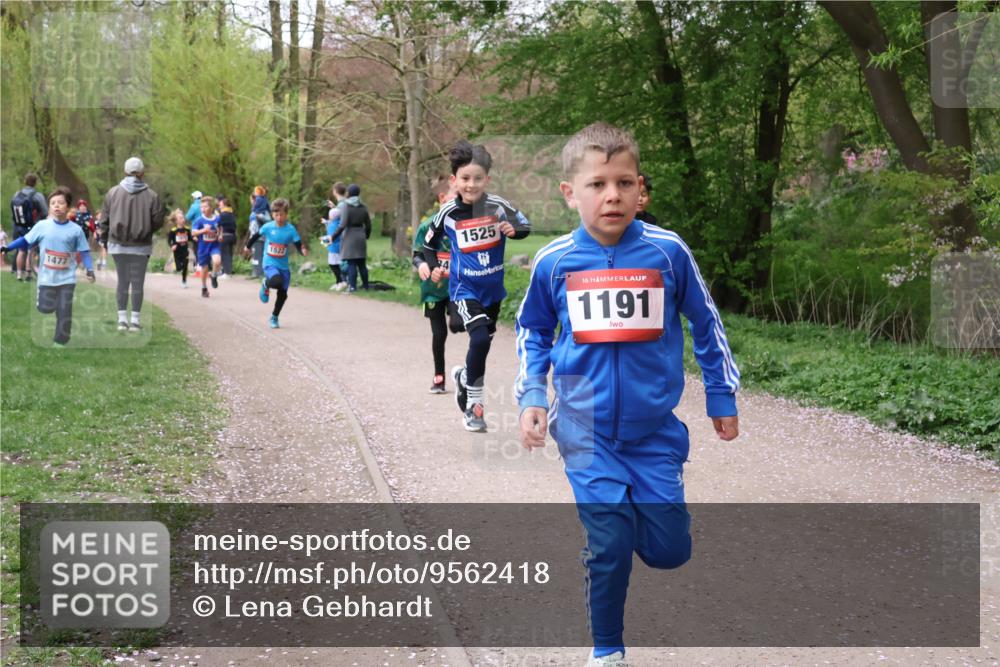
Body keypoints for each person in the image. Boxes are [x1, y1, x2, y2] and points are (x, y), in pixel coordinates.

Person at [515, 123, 740, 667]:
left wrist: (721, 397)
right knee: (610, 546)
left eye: (623, 183)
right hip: (584, 430)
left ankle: (626, 519)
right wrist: (532, 397)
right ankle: (607, 649)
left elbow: (706, 324)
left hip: (652, 432)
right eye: (596, 184)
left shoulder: (667, 253)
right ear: (571, 193)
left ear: (641, 190)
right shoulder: (554, 261)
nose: (611, 195)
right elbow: (532, 331)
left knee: (669, 552)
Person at [421, 140, 531, 432]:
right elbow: (427, 246)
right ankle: (474, 407)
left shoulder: (498, 206)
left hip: (493, 291)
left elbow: (525, 225)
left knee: (483, 345)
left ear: (487, 179)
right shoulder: (447, 214)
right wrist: (432, 267)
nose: (471, 185)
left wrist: (514, 230)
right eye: (465, 179)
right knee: (479, 340)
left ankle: (463, 378)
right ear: (454, 180)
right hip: (464, 289)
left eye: (477, 179)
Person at [2, 186, 95, 347]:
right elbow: (25, 240)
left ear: (68, 206)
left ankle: (60, 342)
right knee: (45, 308)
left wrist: (89, 269)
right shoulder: (42, 226)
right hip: (46, 278)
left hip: (67, 278)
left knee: (65, 310)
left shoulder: (76, 230)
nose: (56, 206)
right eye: (53, 203)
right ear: (49, 206)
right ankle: (46, 304)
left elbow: (85, 251)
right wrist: (8, 247)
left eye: (60, 203)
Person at [99, 157, 164, 332]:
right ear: (142, 173)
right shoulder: (152, 196)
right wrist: (147, 229)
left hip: (118, 244)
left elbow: (103, 220)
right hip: (141, 245)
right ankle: (135, 320)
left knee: (122, 281)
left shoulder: (112, 193)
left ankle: (122, 320)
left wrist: (104, 239)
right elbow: (158, 221)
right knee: (137, 282)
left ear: (125, 171)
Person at [412, 177, 457, 393]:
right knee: (439, 334)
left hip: (458, 288)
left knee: (460, 324)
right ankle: (439, 376)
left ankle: (467, 373)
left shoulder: (465, 227)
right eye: (457, 196)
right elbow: (417, 255)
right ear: (442, 198)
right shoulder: (426, 226)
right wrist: (421, 265)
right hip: (433, 290)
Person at [243, 198, 307, 329]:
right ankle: (266, 284)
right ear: (272, 214)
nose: (279, 217)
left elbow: (298, 244)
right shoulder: (268, 227)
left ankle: (274, 317)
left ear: (286, 214)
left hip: (283, 265)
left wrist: (302, 251)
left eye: (281, 214)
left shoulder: (290, 229)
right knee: (276, 281)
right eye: (276, 214)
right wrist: (247, 247)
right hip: (269, 263)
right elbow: (255, 236)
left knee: (283, 294)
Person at [329, 183, 371, 292]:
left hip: (350, 236)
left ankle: (352, 287)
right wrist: (366, 235)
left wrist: (333, 237)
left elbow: (342, 225)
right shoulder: (364, 206)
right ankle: (366, 286)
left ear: (349, 193)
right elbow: (368, 224)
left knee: (352, 263)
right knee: (362, 263)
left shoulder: (346, 206)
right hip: (361, 235)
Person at [9, 172, 48, 281]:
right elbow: (45, 211)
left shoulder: (17, 194)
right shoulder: (37, 195)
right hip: (32, 226)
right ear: (35, 182)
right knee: (31, 250)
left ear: (25, 181)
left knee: (22, 250)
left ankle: (19, 274)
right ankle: (28, 274)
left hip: (18, 226)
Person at [191, 195, 222, 298]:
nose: (203, 209)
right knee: (204, 269)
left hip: (214, 246)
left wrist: (220, 235)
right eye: (201, 207)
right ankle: (204, 288)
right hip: (203, 247)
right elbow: (193, 233)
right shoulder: (199, 220)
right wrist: (204, 230)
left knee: (217, 261)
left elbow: (220, 228)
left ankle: (213, 276)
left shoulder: (217, 218)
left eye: (205, 207)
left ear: (211, 208)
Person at [322, 182, 347, 289]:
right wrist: (333, 207)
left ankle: (342, 282)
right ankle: (340, 282)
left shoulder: (342, 205)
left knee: (336, 262)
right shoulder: (342, 204)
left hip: (337, 238)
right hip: (335, 238)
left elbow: (340, 221)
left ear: (335, 191)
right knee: (335, 260)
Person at [248, 185, 271, 279]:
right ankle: (256, 271)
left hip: (259, 236)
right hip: (256, 236)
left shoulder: (262, 212)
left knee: (258, 254)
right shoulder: (255, 212)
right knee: (256, 254)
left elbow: (268, 221)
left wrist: (260, 217)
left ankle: (258, 273)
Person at [166, 209, 192, 288]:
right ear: (176, 221)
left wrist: (195, 239)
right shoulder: (173, 231)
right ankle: (177, 267)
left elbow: (190, 238)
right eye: (180, 218)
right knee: (179, 268)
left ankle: (184, 281)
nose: (183, 219)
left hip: (185, 250)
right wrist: (172, 246)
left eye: (183, 218)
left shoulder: (187, 229)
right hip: (177, 252)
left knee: (185, 266)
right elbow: (169, 240)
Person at [217, 196, 238, 277]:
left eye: (221, 204)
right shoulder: (232, 214)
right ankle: (229, 272)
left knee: (224, 254)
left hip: (224, 236)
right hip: (232, 236)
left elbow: (220, 226)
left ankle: (226, 272)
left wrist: (220, 234)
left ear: (225, 205)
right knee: (229, 254)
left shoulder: (222, 215)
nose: (219, 205)